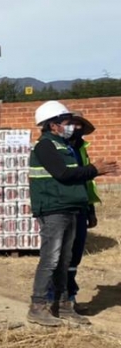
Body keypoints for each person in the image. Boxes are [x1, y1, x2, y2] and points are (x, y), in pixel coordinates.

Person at [27, 101, 118, 327]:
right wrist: (95, 170)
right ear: (53, 125)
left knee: (65, 260)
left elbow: (77, 177)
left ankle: (64, 305)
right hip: (53, 208)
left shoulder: (66, 146)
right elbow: (63, 174)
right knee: (51, 259)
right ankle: (38, 306)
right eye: (66, 122)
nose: (71, 126)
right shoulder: (45, 146)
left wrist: (88, 207)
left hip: (70, 207)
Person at [45, 112, 99, 313]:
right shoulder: (57, 149)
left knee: (75, 256)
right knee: (59, 256)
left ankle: (70, 297)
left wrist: (91, 210)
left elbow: (86, 182)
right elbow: (66, 176)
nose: (74, 130)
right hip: (62, 206)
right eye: (71, 125)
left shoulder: (81, 150)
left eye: (78, 127)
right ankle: (53, 298)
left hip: (80, 207)